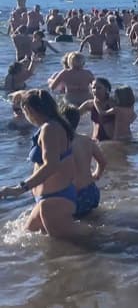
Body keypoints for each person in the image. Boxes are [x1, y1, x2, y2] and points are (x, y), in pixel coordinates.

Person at [0, 90, 77, 238]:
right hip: (50, 198)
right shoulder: (54, 125)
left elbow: (51, 165)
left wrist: (19, 189)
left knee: (69, 249)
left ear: (29, 110)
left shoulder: (50, 128)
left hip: (55, 200)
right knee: (25, 235)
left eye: (24, 110)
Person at [60, 106, 107, 218]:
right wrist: (96, 174)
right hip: (91, 191)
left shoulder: (61, 144)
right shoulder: (86, 140)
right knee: (92, 218)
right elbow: (103, 162)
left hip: (74, 195)